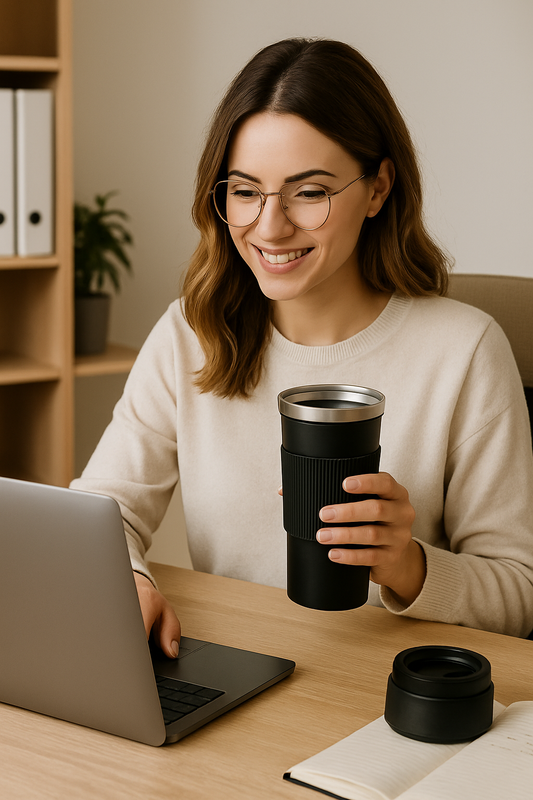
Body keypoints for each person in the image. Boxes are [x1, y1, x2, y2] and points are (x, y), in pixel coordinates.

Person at [71, 38, 533, 654]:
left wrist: (407, 564)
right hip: (238, 670)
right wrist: (128, 579)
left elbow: (520, 594)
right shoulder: (192, 332)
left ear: (378, 188)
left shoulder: (465, 350)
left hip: (384, 686)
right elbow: (102, 513)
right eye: (245, 191)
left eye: (310, 192)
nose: (270, 226)